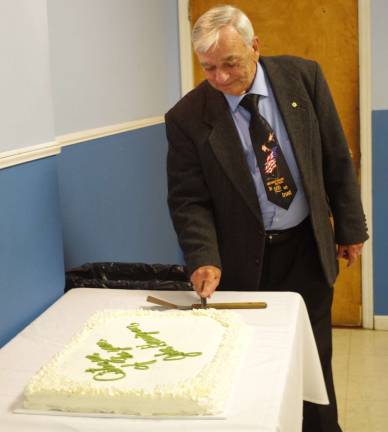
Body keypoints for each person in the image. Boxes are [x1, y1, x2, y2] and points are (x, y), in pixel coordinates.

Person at [165, 5, 368, 432]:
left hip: (304, 248)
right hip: (241, 260)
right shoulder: (186, 117)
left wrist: (349, 228)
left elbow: (333, 155)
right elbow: (189, 199)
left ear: (255, 47)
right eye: (208, 68)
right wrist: (203, 256)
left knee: (313, 365)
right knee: (250, 366)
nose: (220, 78)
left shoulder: (303, 77)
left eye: (230, 63)